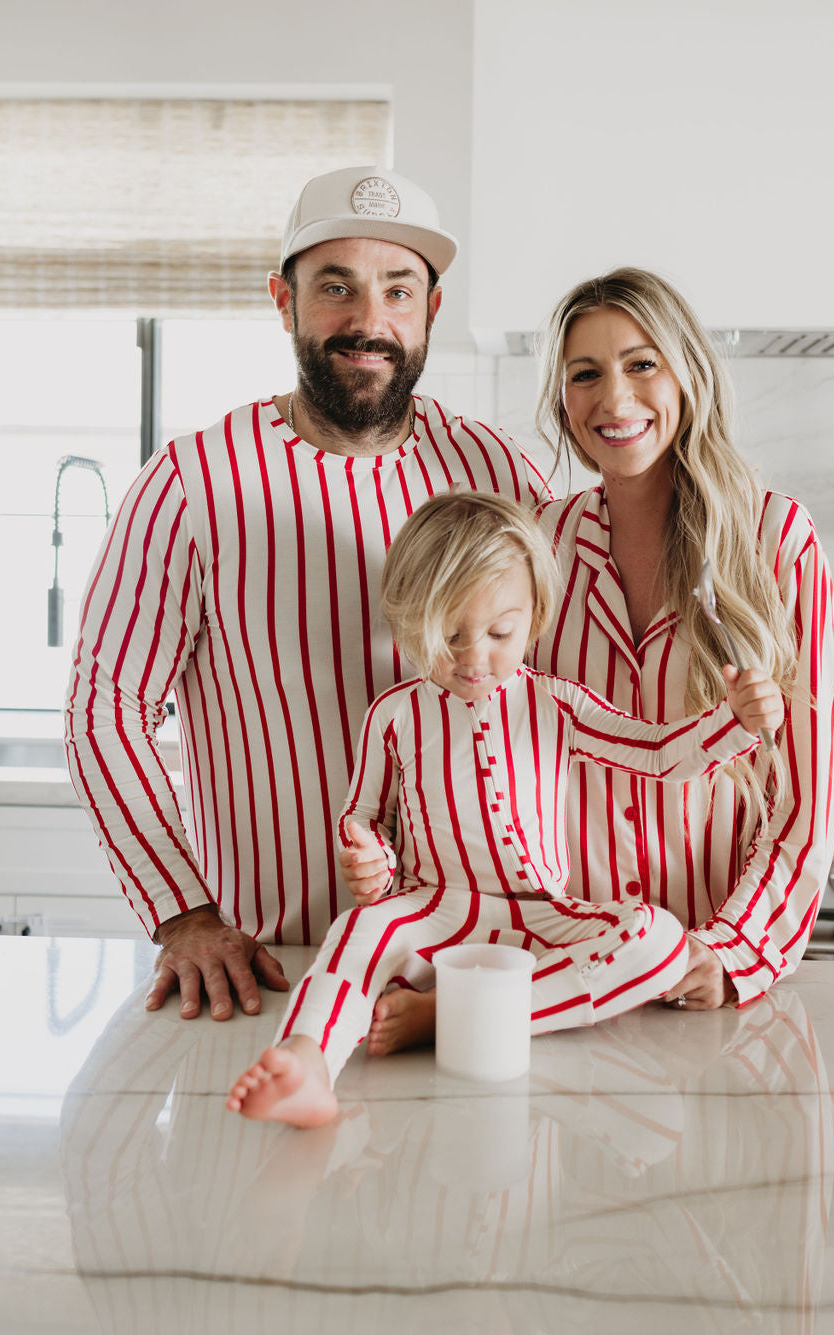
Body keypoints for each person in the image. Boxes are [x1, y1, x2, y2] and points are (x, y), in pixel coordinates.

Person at [64, 166, 549, 1023]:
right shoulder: (192, 483)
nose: (370, 321)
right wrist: (184, 912)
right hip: (272, 977)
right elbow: (106, 710)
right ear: (283, 302)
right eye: (336, 288)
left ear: (432, 310)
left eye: (398, 290)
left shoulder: (498, 473)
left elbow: (557, 691)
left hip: (473, 975)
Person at [225, 491, 784, 1127]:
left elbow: (656, 753)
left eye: (498, 634)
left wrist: (733, 724)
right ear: (409, 621)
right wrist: (369, 860)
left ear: (535, 618)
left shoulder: (558, 705)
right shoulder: (396, 715)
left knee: (662, 943)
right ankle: (306, 1060)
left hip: (545, 917)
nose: (472, 659)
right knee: (356, 934)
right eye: (448, 635)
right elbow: (362, 815)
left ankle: (454, 1020)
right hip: (432, 906)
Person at [531, 267, 834, 1010]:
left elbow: (807, 797)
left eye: (643, 363)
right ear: (563, 399)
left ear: (688, 375)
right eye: (586, 373)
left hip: (708, 978)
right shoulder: (540, 543)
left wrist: (729, 949)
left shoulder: (777, 540)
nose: (615, 398)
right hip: (569, 974)